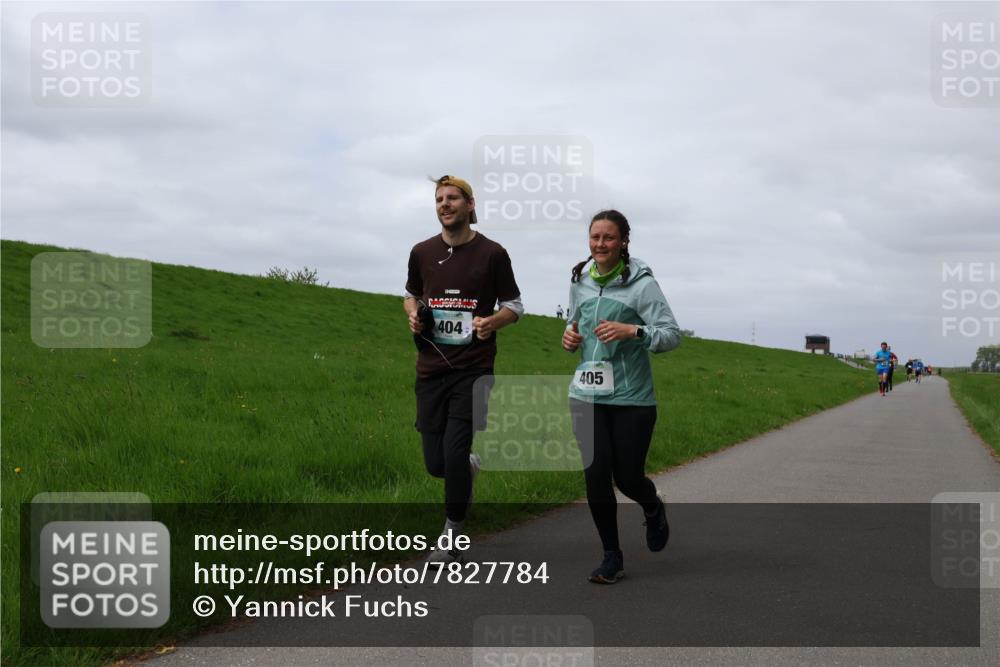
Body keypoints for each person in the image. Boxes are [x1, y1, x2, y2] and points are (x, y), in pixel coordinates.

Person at [404, 175, 523, 564]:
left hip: (473, 369)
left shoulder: (493, 254)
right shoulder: (421, 252)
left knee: (453, 454)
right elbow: (411, 295)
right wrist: (414, 316)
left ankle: (451, 533)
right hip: (430, 368)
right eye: (439, 199)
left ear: (470, 205)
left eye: (452, 197)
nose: (444, 204)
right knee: (437, 463)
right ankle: (469, 469)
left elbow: (515, 306)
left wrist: (492, 322)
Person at [562, 210, 682, 584]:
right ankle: (611, 556)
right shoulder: (580, 279)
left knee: (627, 478)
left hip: (631, 397)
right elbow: (573, 321)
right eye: (595, 237)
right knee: (596, 475)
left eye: (608, 238)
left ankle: (651, 505)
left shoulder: (642, 285)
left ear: (624, 241)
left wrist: (634, 331)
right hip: (587, 393)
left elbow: (671, 334)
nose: (600, 244)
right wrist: (569, 336)